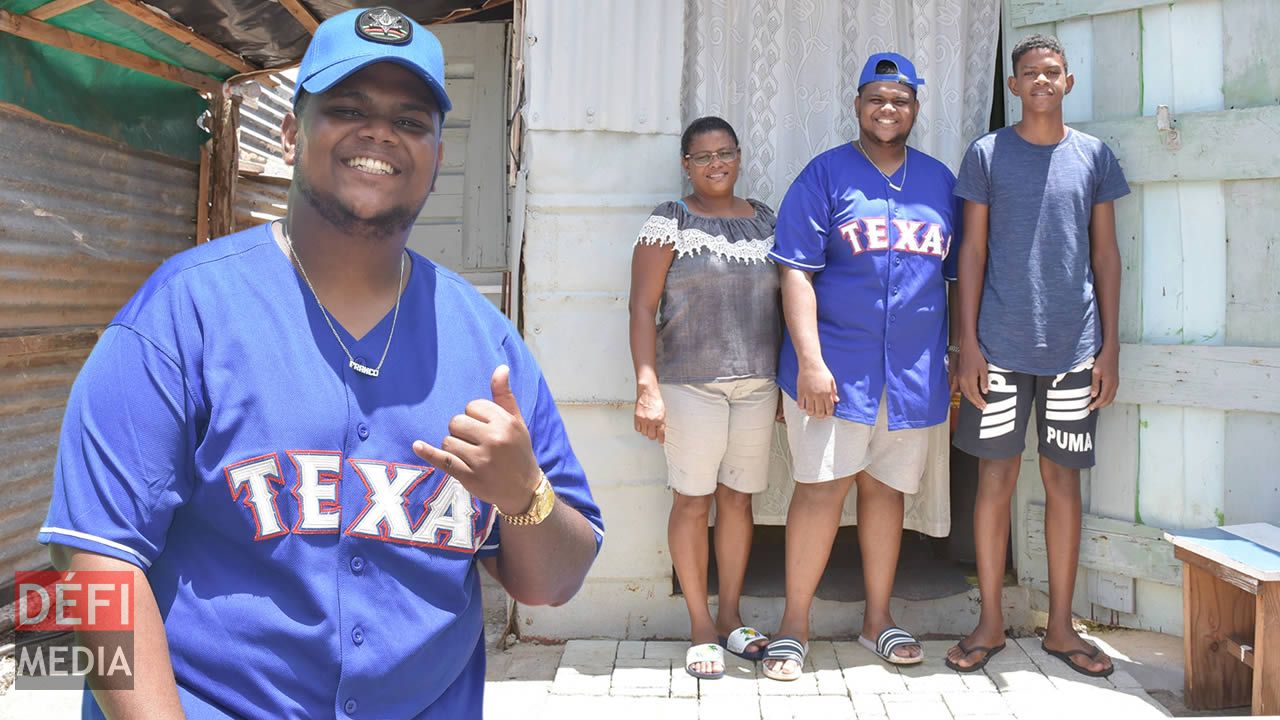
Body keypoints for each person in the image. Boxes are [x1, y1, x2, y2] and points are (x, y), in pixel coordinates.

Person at [37, 7, 603, 718]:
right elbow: (92, 558)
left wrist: (526, 496)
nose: (380, 133)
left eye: (411, 120)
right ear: (288, 132)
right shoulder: (182, 313)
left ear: (436, 153)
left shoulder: (485, 343)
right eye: (346, 108)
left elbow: (556, 582)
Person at [761, 53, 961, 681]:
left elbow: (955, 279)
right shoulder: (826, 174)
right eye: (877, 98)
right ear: (857, 105)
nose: (888, 110)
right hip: (835, 371)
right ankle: (795, 626)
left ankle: (878, 618)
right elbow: (794, 269)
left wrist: (955, 356)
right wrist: (811, 362)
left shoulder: (937, 181)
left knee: (886, 493)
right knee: (820, 490)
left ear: (915, 110)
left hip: (911, 375)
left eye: (900, 101)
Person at [946, 33, 1127, 678]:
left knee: (1062, 484)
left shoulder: (1095, 157)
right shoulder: (988, 153)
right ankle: (990, 621)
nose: (1042, 82)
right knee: (995, 481)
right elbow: (969, 252)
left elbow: (1105, 255)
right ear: (1015, 86)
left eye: (1053, 72)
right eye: (1030, 74)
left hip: (1075, 348)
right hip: (996, 347)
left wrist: (1109, 345)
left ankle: (1060, 628)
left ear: (1067, 82)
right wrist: (966, 343)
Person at [628, 116, 781, 680]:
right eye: (703, 156)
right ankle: (698, 625)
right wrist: (646, 386)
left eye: (726, 153)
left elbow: (789, 300)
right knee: (693, 500)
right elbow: (642, 308)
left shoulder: (765, 219)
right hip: (689, 382)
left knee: (739, 500)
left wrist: (788, 379)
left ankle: (731, 618)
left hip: (758, 382)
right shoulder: (670, 221)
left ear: (739, 157)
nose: (717, 163)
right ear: (686, 166)